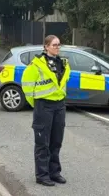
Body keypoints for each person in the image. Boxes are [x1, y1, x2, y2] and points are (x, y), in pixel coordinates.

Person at [21, 35, 71, 186]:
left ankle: (54, 172)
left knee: (56, 141)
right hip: (44, 106)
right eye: (54, 45)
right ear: (46, 47)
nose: (57, 47)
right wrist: (36, 104)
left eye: (59, 45)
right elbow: (27, 86)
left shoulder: (63, 63)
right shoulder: (36, 65)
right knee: (43, 143)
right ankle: (42, 175)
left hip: (59, 106)